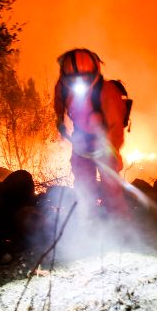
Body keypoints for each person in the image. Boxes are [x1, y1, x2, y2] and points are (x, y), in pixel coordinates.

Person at [53, 48, 130, 218]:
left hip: (106, 141)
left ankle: (121, 228)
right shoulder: (63, 86)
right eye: (74, 80)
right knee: (83, 186)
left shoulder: (108, 92)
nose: (79, 83)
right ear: (66, 77)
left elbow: (116, 128)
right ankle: (88, 224)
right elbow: (59, 101)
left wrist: (107, 150)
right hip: (81, 140)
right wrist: (60, 119)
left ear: (94, 73)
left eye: (85, 78)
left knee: (111, 188)